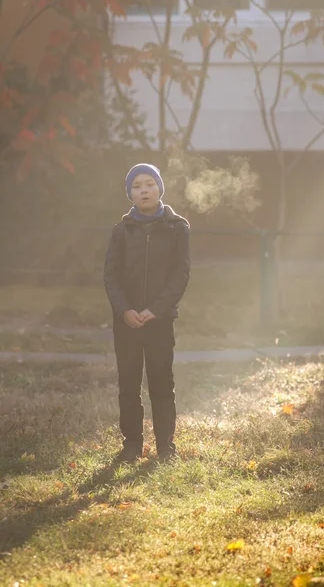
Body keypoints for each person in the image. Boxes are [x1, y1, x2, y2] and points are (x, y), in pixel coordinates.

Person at [104, 163, 190, 462]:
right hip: (126, 322)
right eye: (137, 185)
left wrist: (156, 309)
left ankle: (166, 447)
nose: (144, 189)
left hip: (160, 320)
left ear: (159, 189)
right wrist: (125, 309)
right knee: (128, 384)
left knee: (161, 383)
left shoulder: (177, 227)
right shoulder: (121, 230)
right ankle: (131, 446)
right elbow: (111, 275)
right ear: (130, 193)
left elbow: (181, 274)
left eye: (149, 183)